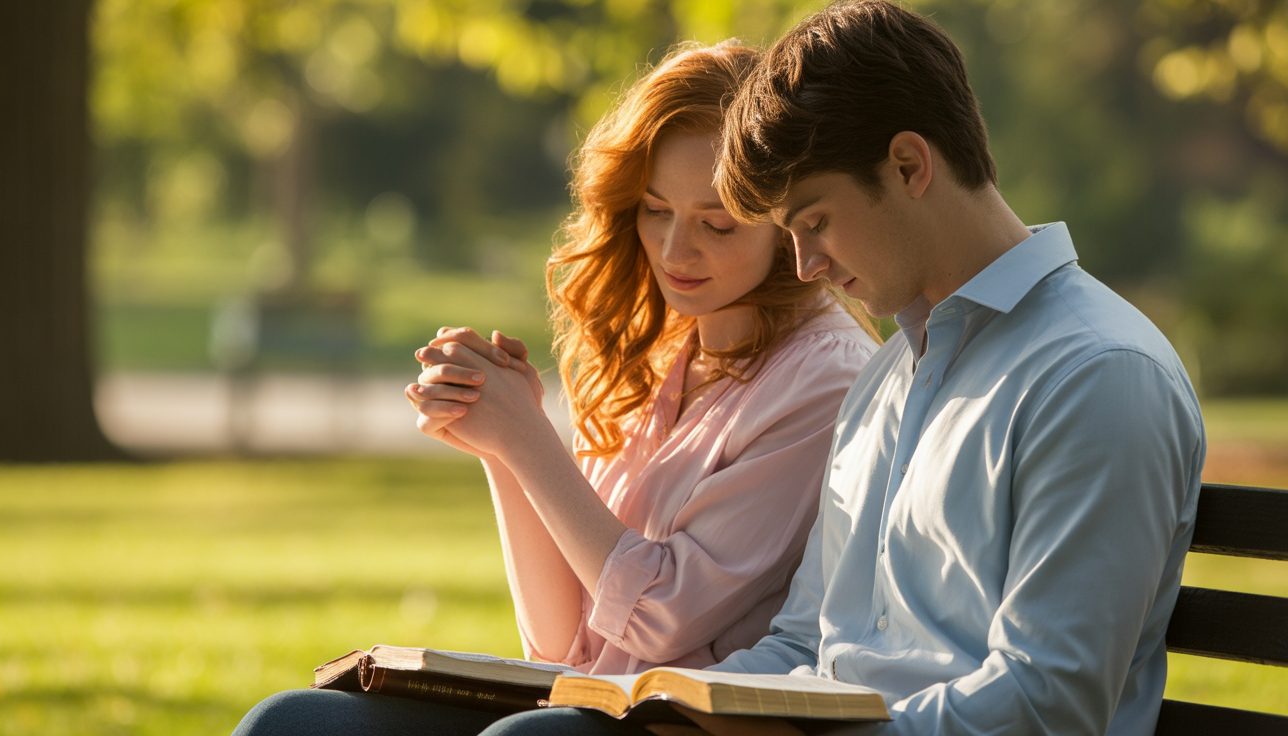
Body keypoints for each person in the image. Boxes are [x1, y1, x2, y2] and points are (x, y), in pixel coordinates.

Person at [482, 1, 1206, 735]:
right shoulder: (886, 384)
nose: (807, 265)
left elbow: (1048, 702)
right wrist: (656, 710)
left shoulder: (1096, 375)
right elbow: (806, 646)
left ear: (908, 165)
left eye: (816, 221)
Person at [232, 40, 879, 736]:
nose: (673, 250)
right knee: (292, 722)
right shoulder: (663, 349)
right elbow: (561, 645)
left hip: (694, 725)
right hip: (584, 705)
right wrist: (499, 447)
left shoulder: (825, 379)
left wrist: (530, 441)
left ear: (783, 225)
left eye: (716, 223)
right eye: (655, 210)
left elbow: (659, 617)